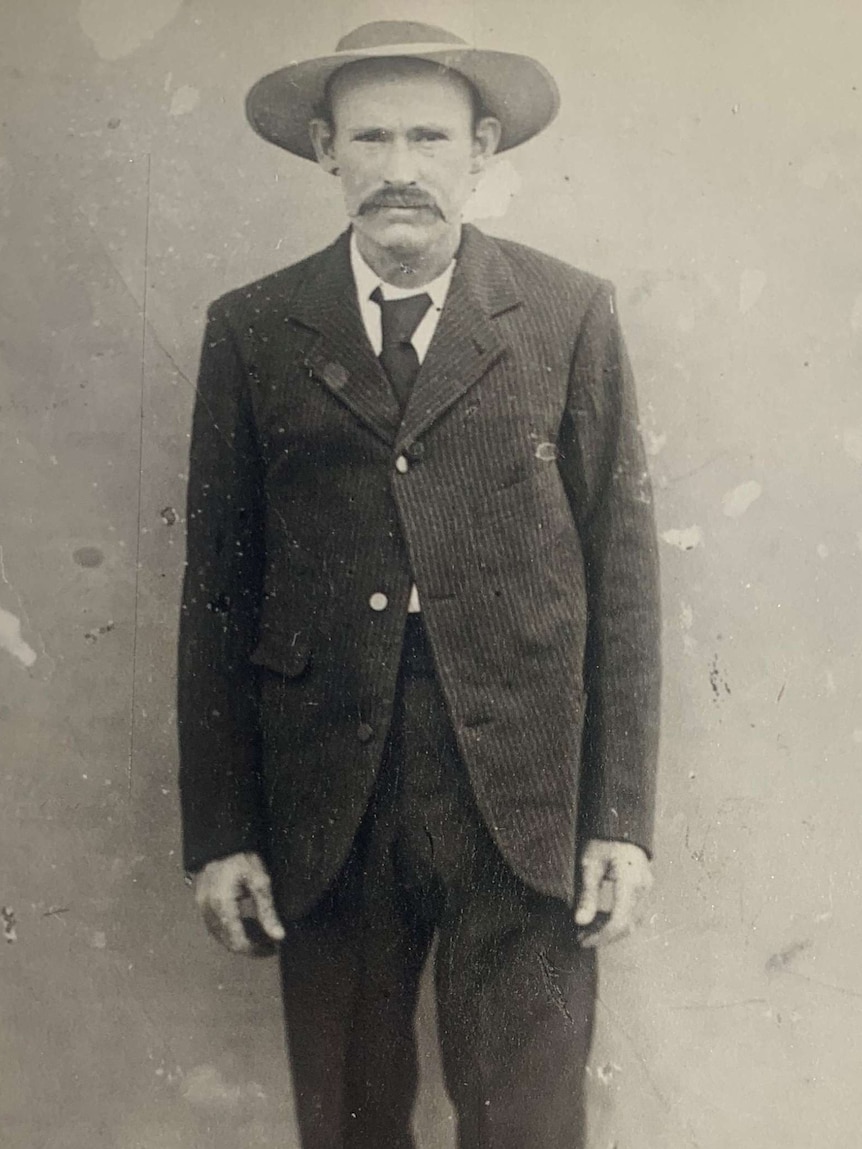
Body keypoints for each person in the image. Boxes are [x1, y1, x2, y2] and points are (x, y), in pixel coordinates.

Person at [178, 19, 661, 1149]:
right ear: (325, 151)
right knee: (346, 1119)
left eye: (430, 137)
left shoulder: (565, 314)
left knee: (528, 1121)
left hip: (522, 798)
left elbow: (624, 582)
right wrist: (222, 828)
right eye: (373, 137)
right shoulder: (252, 330)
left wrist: (621, 820)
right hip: (327, 800)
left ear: (481, 149)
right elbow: (215, 595)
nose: (402, 167)